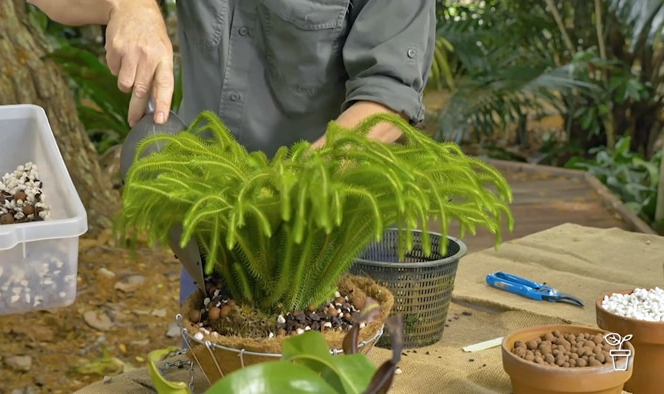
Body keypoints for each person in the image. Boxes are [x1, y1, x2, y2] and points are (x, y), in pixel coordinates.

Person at [27, 0, 436, 392]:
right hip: (210, 233)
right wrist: (128, 5)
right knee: (218, 375)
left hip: (327, 243)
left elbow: (388, 94)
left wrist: (296, 186)